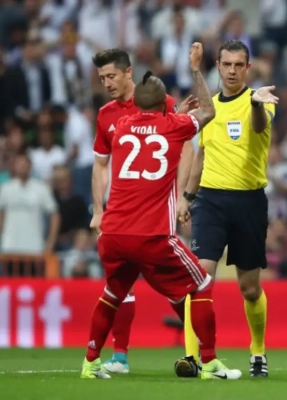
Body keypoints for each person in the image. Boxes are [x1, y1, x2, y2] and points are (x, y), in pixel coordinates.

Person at [81, 43, 242, 381]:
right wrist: (195, 70)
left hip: (113, 233)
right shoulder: (173, 125)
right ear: (163, 105)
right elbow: (208, 112)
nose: (107, 82)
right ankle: (210, 363)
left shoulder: (120, 126)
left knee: (113, 293)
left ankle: (90, 363)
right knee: (202, 284)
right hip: (152, 234)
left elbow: (112, 155)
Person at [90, 48, 197, 373]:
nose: (107, 83)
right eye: (102, 78)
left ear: (128, 72)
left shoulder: (158, 100)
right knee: (120, 286)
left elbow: (186, 147)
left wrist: (181, 197)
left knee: (175, 289)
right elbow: (100, 165)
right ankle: (120, 356)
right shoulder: (105, 114)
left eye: (111, 76)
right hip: (122, 215)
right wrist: (98, 209)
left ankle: (196, 351)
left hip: (157, 213)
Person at [178, 39, 277, 378]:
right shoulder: (210, 110)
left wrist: (256, 104)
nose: (232, 71)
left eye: (238, 65)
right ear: (218, 67)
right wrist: (187, 197)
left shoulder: (260, 101)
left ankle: (258, 350)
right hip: (210, 201)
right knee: (199, 278)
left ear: (247, 68)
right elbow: (202, 154)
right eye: (227, 65)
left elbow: (259, 126)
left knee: (249, 288)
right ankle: (193, 357)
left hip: (248, 201)